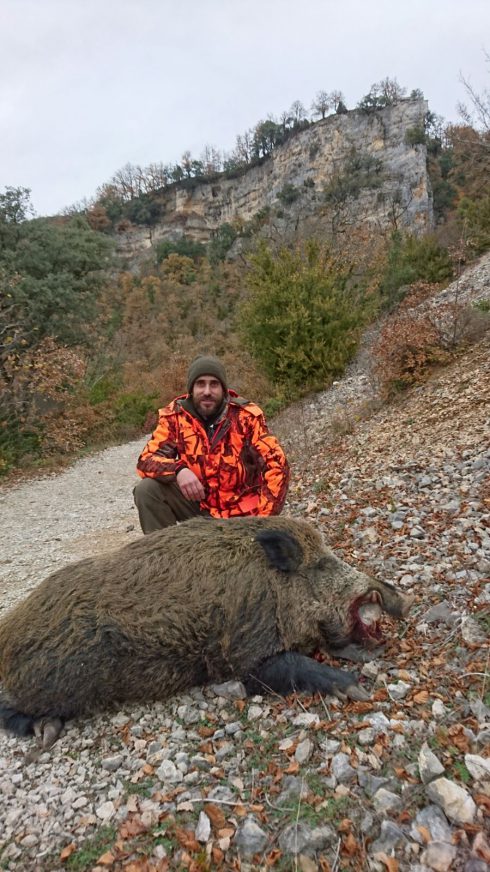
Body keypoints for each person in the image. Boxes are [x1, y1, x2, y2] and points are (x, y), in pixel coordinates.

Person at [134, 354, 290, 533]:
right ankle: (170, 557)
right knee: (147, 490)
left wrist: (264, 522)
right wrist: (178, 470)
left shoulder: (246, 417)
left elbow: (278, 465)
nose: (207, 391)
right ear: (191, 389)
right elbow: (146, 460)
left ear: (223, 389)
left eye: (214, 384)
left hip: (243, 515)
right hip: (200, 508)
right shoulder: (175, 417)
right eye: (200, 383)